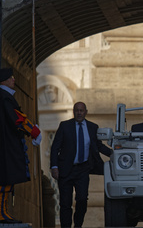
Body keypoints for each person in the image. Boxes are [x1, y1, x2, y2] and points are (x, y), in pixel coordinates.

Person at [50, 102, 112, 228]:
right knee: (65, 203)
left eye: (81, 110)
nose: (79, 113)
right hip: (65, 170)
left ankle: (78, 225)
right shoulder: (65, 126)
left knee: (82, 200)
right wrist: (54, 166)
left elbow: (98, 145)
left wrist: (114, 154)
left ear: (86, 112)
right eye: (77, 110)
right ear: (74, 111)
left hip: (83, 170)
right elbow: (55, 147)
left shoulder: (92, 127)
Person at [0, 68, 42, 224]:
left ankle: (3, 211)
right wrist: (34, 131)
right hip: (6, 147)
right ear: (4, 81)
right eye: (11, 78)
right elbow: (18, 120)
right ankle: (1, 212)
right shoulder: (5, 98)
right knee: (4, 180)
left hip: (6, 145)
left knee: (6, 180)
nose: (14, 80)